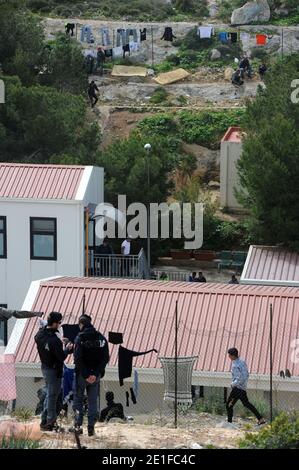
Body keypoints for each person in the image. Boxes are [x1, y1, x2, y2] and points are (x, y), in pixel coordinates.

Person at [35, 312, 73, 431]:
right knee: (52, 396)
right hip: (54, 370)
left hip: (45, 367)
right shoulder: (54, 341)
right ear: (55, 323)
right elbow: (61, 357)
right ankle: (49, 422)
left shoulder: (40, 334)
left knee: (49, 395)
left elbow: (46, 344)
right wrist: (67, 349)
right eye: (59, 323)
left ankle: (44, 420)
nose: (60, 325)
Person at [73, 315, 109, 436]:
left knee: (78, 400)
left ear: (81, 324)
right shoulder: (101, 338)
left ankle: (78, 426)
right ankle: (91, 428)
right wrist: (95, 373)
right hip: (95, 376)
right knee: (93, 402)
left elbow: (77, 358)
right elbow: (105, 358)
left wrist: (86, 374)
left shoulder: (80, 338)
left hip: (82, 376)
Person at [226, 348, 266, 425]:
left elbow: (239, 378)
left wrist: (233, 384)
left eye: (229, 355)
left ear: (233, 355)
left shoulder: (235, 365)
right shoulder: (242, 362)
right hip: (242, 388)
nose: (228, 356)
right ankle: (260, 419)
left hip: (237, 389)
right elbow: (246, 375)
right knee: (247, 404)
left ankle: (229, 423)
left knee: (229, 405)